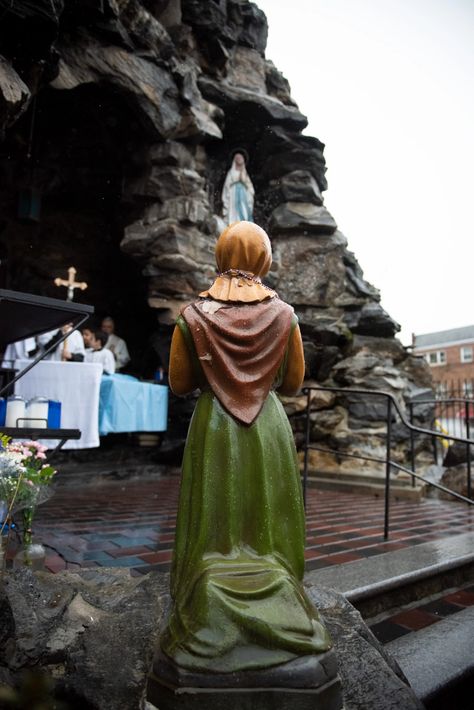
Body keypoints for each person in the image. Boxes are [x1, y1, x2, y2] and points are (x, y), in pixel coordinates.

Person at [157, 221, 331, 679]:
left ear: (219, 254)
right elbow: (293, 383)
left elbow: (178, 384)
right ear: (264, 259)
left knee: (216, 513)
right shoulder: (285, 315)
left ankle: (206, 593)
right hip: (267, 426)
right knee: (266, 509)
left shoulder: (191, 316)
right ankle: (276, 583)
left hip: (214, 422)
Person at [221, 151, 255, 224]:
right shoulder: (231, 173)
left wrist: (244, 183)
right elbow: (227, 186)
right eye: (237, 158)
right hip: (233, 194)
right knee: (233, 212)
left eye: (240, 158)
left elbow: (250, 188)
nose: (239, 159)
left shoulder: (245, 174)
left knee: (244, 211)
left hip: (244, 195)